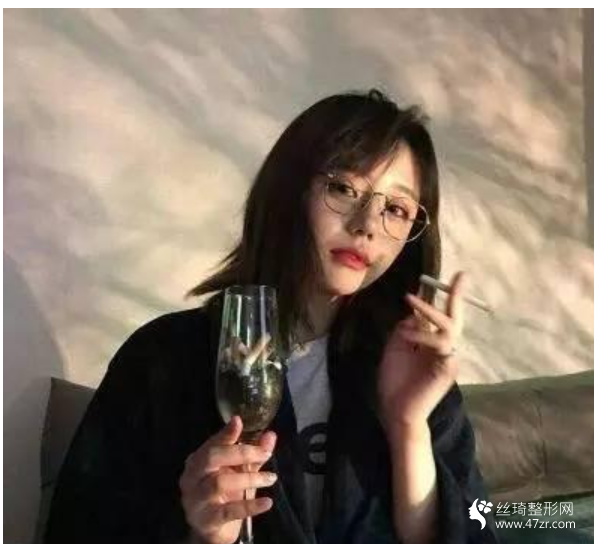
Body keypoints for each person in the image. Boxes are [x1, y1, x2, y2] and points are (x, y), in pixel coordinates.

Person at [44, 89, 499, 544]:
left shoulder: (413, 364)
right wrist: (199, 534)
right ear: (290, 189)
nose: (366, 225)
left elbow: (476, 532)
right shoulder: (163, 358)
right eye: (344, 188)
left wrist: (407, 427)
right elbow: (77, 528)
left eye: (395, 210)